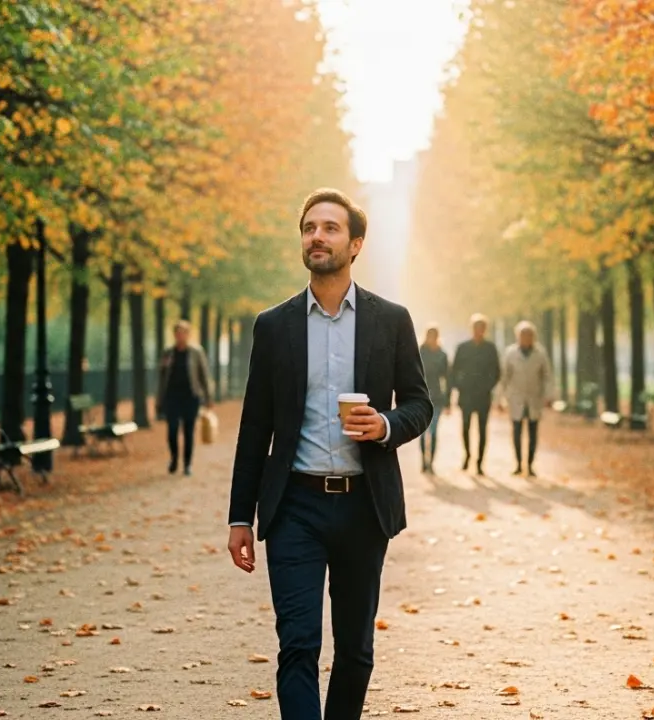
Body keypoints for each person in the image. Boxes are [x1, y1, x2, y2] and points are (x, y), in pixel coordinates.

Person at [226, 188, 432, 720]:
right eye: (309, 227)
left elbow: (420, 404)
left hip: (365, 506)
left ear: (355, 243)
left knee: (356, 652)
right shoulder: (274, 326)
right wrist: (238, 516)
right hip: (294, 506)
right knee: (297, 645)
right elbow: (255, 427)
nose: (317, 236)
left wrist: (384, 424)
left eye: (331, 228)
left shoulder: (391, 320)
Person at [156, 320, 212, 476]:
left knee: (188, 431)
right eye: (177, 332)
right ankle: (174, 458)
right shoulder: (168, 352)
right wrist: (159, 399)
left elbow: (204, 376)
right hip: (172, 397)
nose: (180, 335)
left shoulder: (196, 352)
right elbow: (162, 377)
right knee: (172, 430)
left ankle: (187, 464)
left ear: (188, 334)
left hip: (191, 397)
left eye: (183, 332)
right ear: (174, 334)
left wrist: (208, 397)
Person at [500, 320, 553, 477]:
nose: (526, 338)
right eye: (523, 335)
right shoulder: (510, 353)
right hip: (516, 398)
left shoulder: (540, 354)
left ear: (533, 337)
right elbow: (504, 377)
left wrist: (549, 396)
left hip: (534, 398)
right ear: (518, 336)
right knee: (516, 432)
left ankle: (529, 465)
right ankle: (518, 464)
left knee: (532, 433)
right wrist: (500, 399)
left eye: (529, 335)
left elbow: (547, 376)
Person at [449, 313, 500, 475]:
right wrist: (459, 386)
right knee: (465, 427)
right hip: (466, 395)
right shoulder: (462, 348)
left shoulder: (490, 348)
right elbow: (454, 370)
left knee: (483, 429)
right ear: (472, 329)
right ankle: (468, 455)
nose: (479, 331)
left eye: (482, 328)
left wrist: (488, 386)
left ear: (485, 330)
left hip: (483, 395)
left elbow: (497, 371)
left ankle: (479, 462)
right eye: (476, 328)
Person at [418, 324, 450, 473]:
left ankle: (431, 462)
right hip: (421, 397)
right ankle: (423, 461)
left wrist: (448, 401)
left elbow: (447, 378)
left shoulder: (442, 355)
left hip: (437, 397)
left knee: (434, 431)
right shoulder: (419, 353)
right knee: (423, 432)